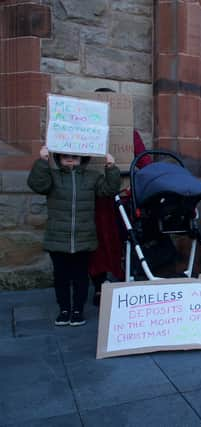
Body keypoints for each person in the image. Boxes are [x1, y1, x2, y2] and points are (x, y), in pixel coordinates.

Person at [27, 146, 120, 326]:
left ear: (82, 158)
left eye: (75, 156)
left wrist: (111, 167)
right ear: (59, 157)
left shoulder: (92, 177)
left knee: (80, 278)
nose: (70, 158)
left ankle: (77, 310)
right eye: (66, 155)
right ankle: (64, 310)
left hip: (83, 238)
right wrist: (42, 161)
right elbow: (37, 185)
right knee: (61, 277)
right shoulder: (52, 176)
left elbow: (108, 190)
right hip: (57, 238)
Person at [89, 87, 151, 306]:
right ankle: (99, 284)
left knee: (122, 239)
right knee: (96, 243)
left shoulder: (130, 134)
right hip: (93, 200)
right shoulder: (85, 133)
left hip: (122, 198)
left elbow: (144, 163)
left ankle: (125, 279)